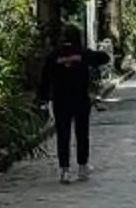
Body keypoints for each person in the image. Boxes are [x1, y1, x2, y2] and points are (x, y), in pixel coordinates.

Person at [36, 25, 105, 181]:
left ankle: (64, 170)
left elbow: (45, 79)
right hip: (80, 98)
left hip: (61, 100)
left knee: (63, 134)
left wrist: (43, 99)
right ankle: (82, 166)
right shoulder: (82, 53)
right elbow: (103, 58)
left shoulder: (54, 55)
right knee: (82, 133)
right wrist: (85, 56)